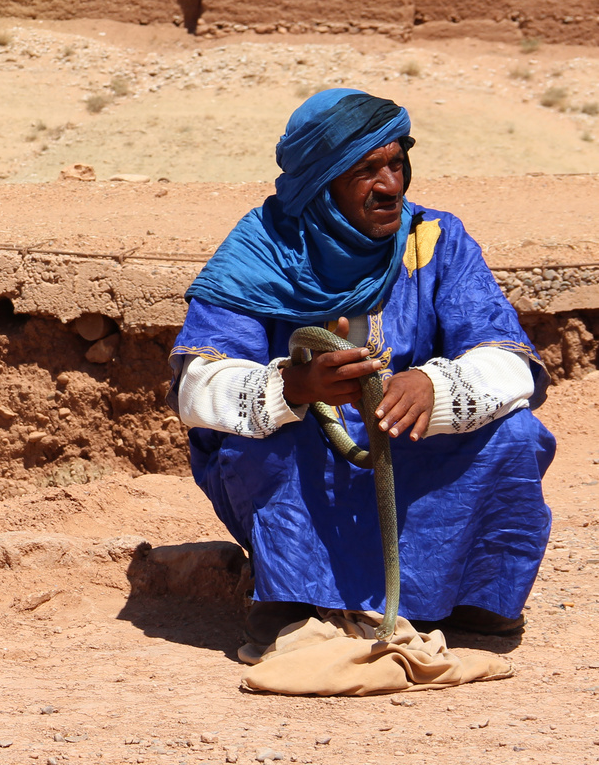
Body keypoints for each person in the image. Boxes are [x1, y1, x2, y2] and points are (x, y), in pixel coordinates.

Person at [169, 88, 554, 643]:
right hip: (302, 437)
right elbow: (196, 383)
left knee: (515, 433)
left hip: (414, 435)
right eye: (367, 170)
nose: (391, 185)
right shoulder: (259, 251)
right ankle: (293, 596)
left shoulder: (435, 240)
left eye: (397, 164)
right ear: (320, 180)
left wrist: (431, 386)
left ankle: (473, 597)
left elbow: (511, 359)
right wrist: (293, 387)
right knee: (264, 439)